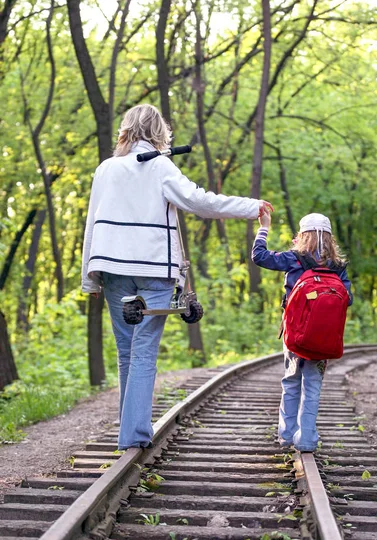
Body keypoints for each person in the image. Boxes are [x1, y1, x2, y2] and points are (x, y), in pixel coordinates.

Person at [82, 103, 273, 451]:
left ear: (126, 131)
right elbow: (200, 202)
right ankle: (134, 437)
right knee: (143, 353)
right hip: (154, 270)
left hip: (112, 269)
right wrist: (251, 206)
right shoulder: (161, 167)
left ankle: (130, 433)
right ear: (159, 134)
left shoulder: (106, 169)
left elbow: (91, 224)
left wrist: (89, 279)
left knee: (127, 353)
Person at [252, 211, 353, 452]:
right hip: (324, 337)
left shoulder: (294, 259)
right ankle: (307, 439)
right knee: (313, 384)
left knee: (291, 381)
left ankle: (286, 435)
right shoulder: (338, 266)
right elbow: (347, 299)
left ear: (301, 235)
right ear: (330, 238)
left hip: (295, 335)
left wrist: (264, 227)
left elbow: (259, 256)